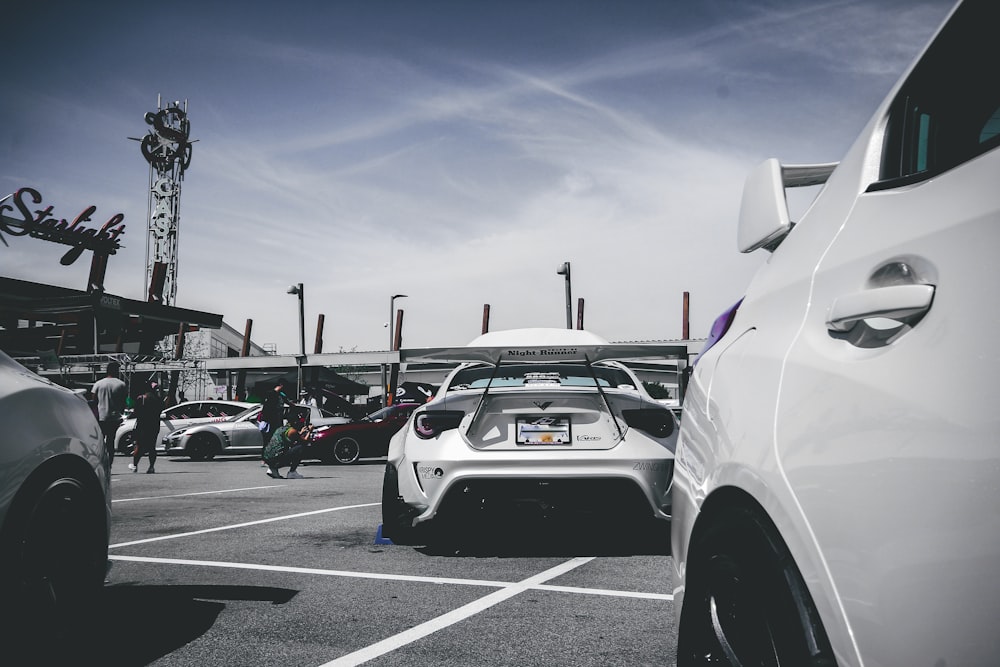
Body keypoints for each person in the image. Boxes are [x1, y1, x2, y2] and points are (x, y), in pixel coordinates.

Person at [92, 361, 127, 467]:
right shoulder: (121, 384)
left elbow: (93, 400)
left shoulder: (98, 383)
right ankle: (109, 464)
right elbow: (123, 401)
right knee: (110, 441)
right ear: (116, 371)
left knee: (99, 441)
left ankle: (99, 462)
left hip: (101, 417)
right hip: (114, 417)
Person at [129, 381, 164, 473]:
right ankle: (151, 467)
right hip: (154, 425)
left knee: (139, 446)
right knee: (152, 447)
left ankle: (135, 465)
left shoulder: (141, 398)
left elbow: (136, 412)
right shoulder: (158, 399)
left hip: (142, 425)